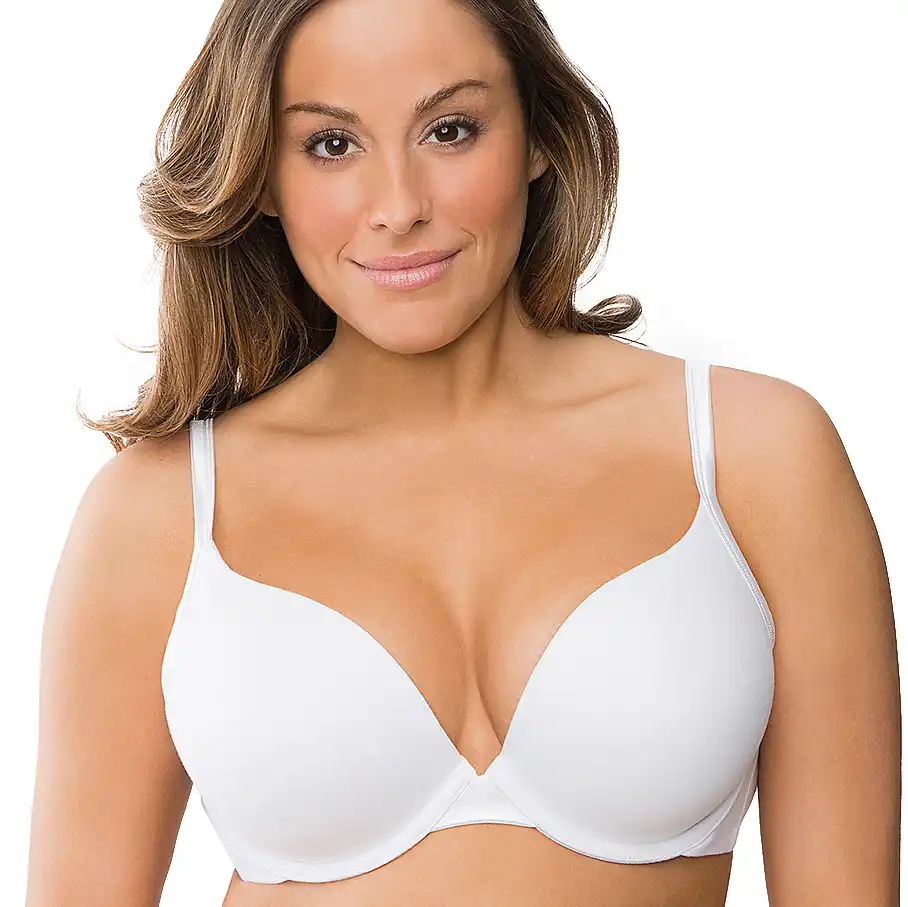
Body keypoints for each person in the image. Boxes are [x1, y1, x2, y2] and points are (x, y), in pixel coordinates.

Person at [25, 0, 900, 904]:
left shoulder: (752, 455)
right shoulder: (160, 513)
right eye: (331, 144)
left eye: (450, 130)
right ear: (262, 177)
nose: (399, 207)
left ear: (540, 136)